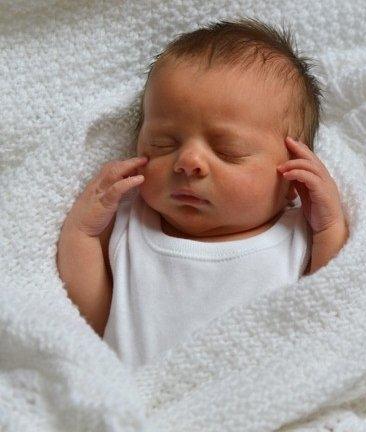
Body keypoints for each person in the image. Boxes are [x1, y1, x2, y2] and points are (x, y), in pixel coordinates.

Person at [57, 19, 347, 368]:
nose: (188, 161)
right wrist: (83, 233)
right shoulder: (133, 225)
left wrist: (329, 225)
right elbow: (93, 319)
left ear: (293, 178)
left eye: (227, 150)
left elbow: (333, 303)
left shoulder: (295, 237)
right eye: (163, 144)